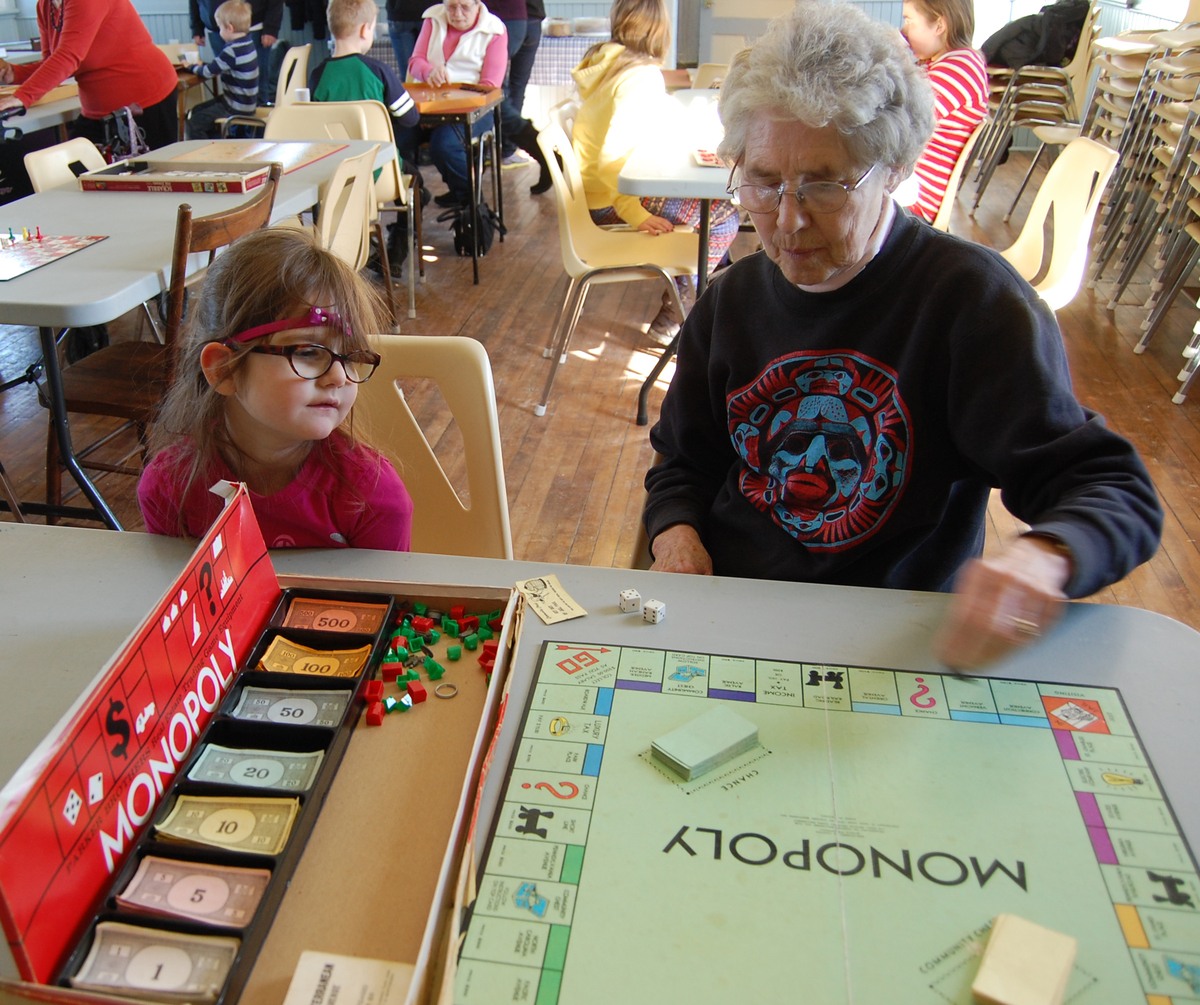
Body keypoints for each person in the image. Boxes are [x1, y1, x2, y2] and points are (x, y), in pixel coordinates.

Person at [642, 1, 1162, 671]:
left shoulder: (971, 303)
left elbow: (1111, 486)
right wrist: (675, 535)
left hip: (900, 641)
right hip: (739, 611)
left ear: (892, 170)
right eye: (765, 183)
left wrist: (1042, 558)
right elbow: (683, 463)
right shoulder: (732, 301)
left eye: (825, 186)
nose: (789, 220)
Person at [138, 228, 413, 551]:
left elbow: (387, 599)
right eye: (308, 352)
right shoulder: (170, 488)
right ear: (225, 369)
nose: (339, 376)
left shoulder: (373, 497)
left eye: (350, 357)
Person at [571, 0, 739, 337]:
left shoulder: (612, 65)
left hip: (594, 194)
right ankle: (678, 315)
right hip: (611, 201)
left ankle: (695, 291)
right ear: (659, 30)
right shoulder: (640, 77)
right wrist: (633, 211)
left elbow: (630, 121)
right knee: (722, 218)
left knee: (707, 221)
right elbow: (611, 157)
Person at [310, 0, 421, 270]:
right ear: (365, 29)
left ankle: (365, 251)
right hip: (380, 174)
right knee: (416, 179)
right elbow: (410, 117)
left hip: (333, 177)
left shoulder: (317, 75)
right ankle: (396, 251)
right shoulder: (377, 70)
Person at [405, 0, 548, 205]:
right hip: (431, 107)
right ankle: (418, 198)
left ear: (478, 4)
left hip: (473, 109)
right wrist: (429, 71)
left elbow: (488, 88)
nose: (457, 14)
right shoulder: (433, 18)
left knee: (444, 145)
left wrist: (446, 109)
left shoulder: (494, 29)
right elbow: (415, 61)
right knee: (396, 139)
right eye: (451, 7)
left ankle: (470, 202)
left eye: (464, 7)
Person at [0, 0, 179, 150]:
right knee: (76, 174)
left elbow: (67, 57)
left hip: (145, 97)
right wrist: (13, 74)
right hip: (99, 108)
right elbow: (52, 63)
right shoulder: (45, 5)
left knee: (152, 180)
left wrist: (21, 97)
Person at [898, 0, 988, 222]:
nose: (904, 31)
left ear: (939, 24)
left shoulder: (961, 67)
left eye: (909, 20)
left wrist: (891, 54)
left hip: (915, 203)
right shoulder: (939, 64)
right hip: (907, 189)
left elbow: (897, 123)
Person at [186, 0, 259, 140]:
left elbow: (208, 72)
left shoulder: (232, 50)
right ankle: (216, 141)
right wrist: (205, 65)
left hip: (235, 106)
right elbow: (220, 65)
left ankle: (206, 153)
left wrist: (189, 66)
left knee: (193, 124)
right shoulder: (248, 44)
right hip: (246, 103)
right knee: (197, 110)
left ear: (230, 28)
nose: (219, 32)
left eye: (220, 27)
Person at [191, 0, 284, 105]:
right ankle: (235, 119)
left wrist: (272, 27)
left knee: (257, 83)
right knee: (229, 81)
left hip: (253, 27)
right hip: (216, 27)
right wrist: (196, 26)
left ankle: (259, 119)